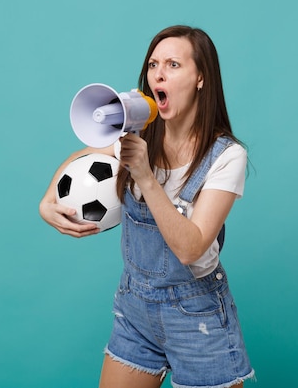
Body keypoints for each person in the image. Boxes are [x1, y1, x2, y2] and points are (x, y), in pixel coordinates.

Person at [39, 25, 254, 388]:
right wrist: (47, 202)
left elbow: (190, 248)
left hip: (196, 318)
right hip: (135, 309)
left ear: (201, 77)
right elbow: (83, 157)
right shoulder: (141, 136)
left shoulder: (227, 157)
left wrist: (144, 174)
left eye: (173, 64)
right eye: (154, 64)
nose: (158, 72)